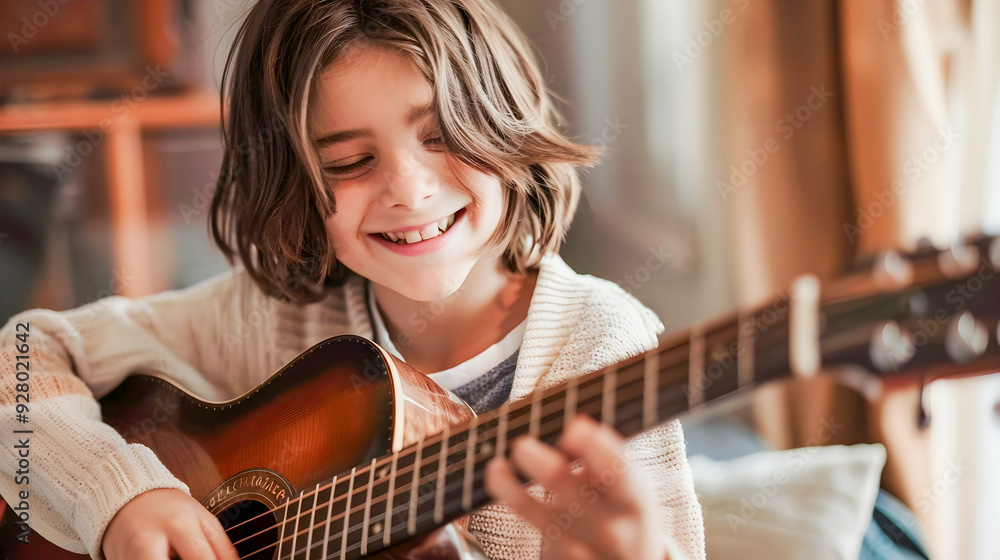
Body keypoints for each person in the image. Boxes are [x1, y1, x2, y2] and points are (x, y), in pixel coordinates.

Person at [0, 0, 706, 558]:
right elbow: (20, 359)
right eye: (348, 163)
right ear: (298, 191)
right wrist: (120, 499)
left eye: (442, 135)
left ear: (505, 128)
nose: (409, 189)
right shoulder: (273, 315)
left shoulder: (598, 344)